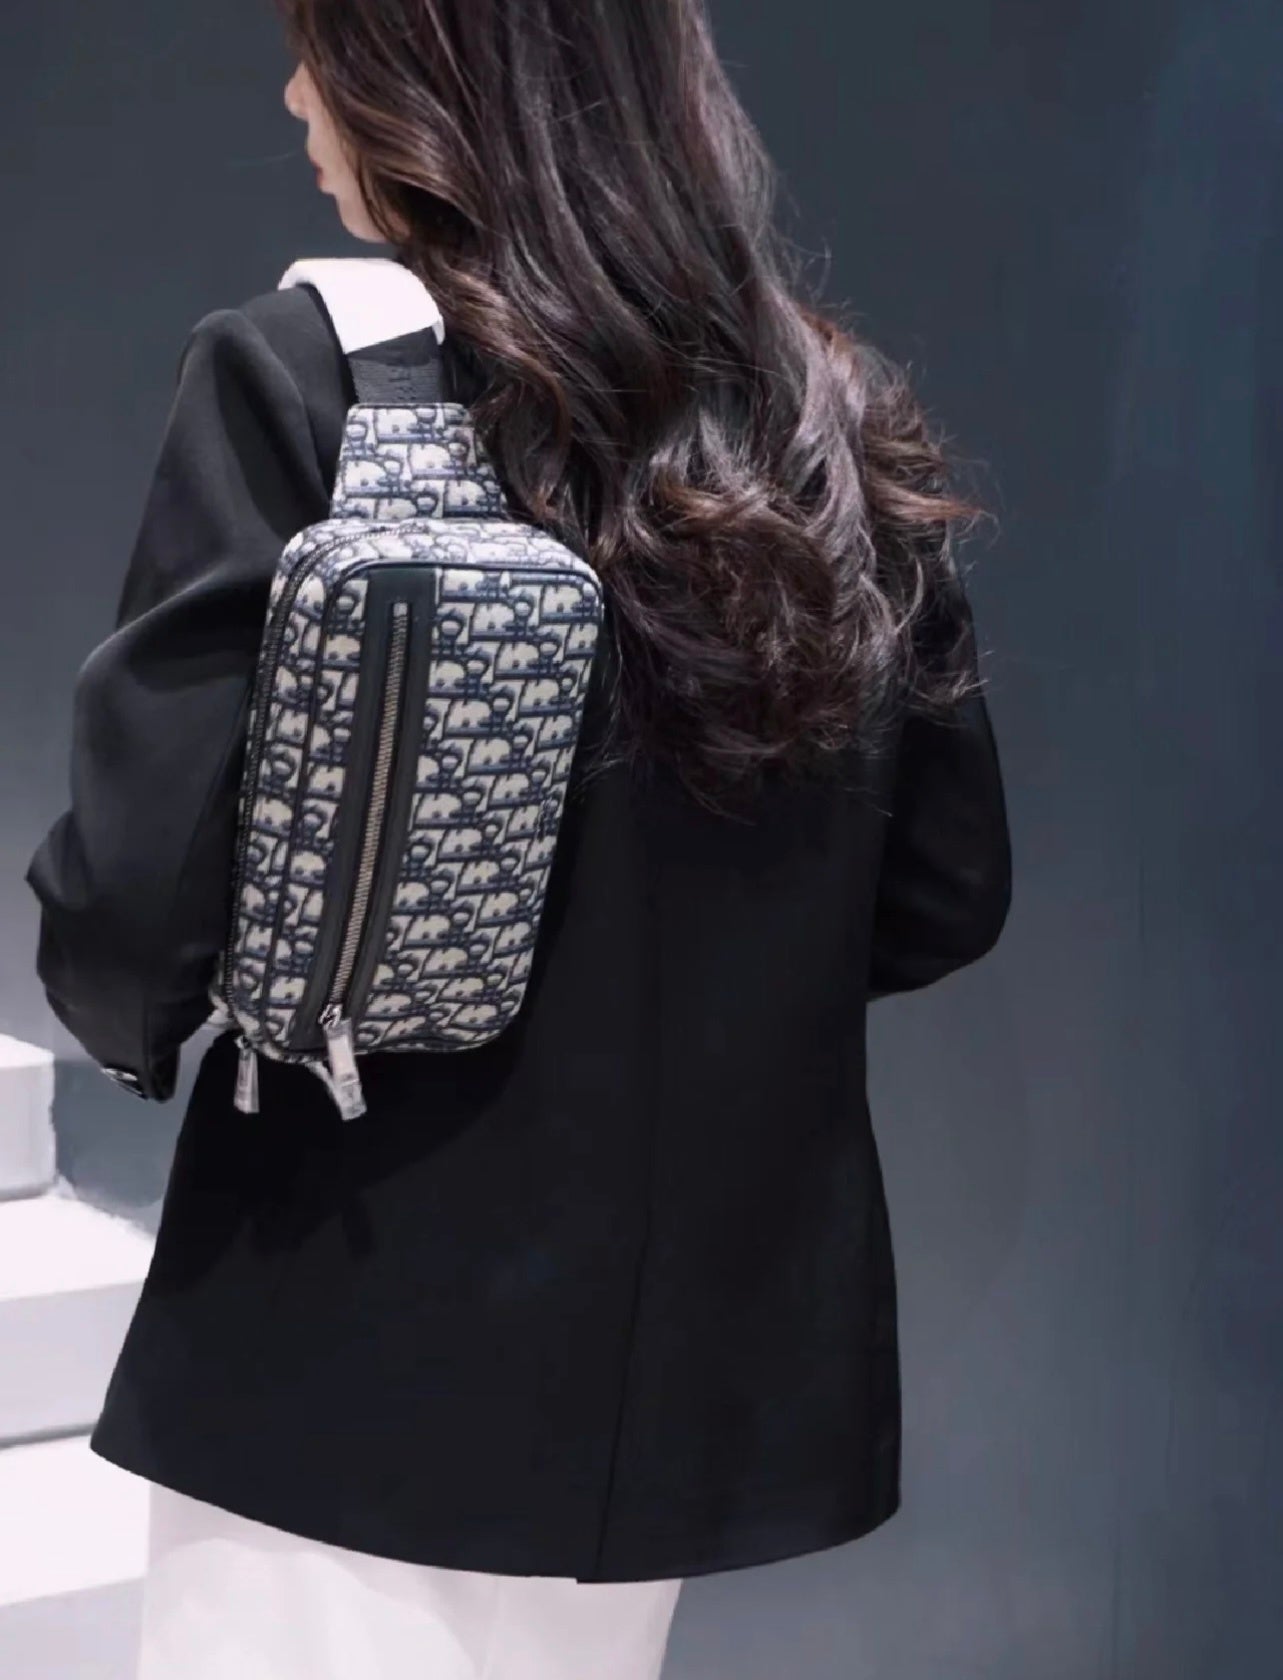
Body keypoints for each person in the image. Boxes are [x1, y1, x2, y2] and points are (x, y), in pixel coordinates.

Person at [23, 1, 1013, 1676]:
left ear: (435, 80)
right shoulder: (815, 411)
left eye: (324, 49)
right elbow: (944, 890)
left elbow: (138, 892)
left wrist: (133, 1010)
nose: (296, 94)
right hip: (685, 1377)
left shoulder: (314, 380)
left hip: (342, 1327)